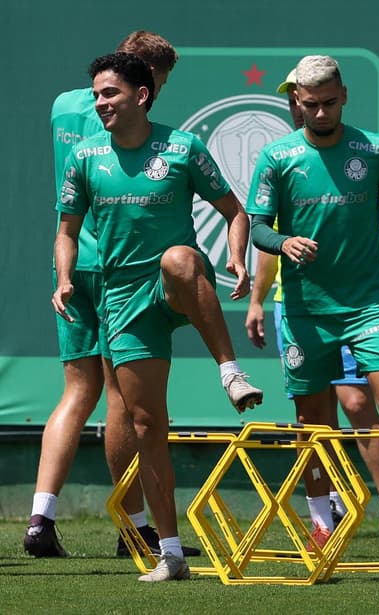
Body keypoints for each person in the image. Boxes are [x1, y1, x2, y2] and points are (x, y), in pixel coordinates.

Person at [53, 52, 263, 581]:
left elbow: (235, 210)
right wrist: (64, 277)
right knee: (148, 425)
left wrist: (238, 259)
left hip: (174, 285)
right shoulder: (85, 156)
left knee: (179, 256)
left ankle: (230, 371)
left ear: (140, 96)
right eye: (97, 94)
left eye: (110, 94)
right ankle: (170, 553)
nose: (99, 103)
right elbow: (67, 231)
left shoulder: (182, 146)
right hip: (122, 299)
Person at [25, 31, 201, 560]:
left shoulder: (63, 105)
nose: (156, 93)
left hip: (71, 260)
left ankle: (40, 517)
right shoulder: (119, 117)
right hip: (116, 264)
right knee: (122, 396)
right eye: (155, 82)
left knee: (76, 393)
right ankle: (135, 527)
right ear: (138, 78)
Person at [246, 55, 379, 554]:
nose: (320, 113)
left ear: (344, 95)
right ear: (297, 103)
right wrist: (282, 243)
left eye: (328, 102)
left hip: (367, 304)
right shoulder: (277, 157)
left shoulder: (373, 149)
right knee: (312, 422)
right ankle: (321, 521)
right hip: (305, 310)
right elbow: (257, 224)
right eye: (309, 105)